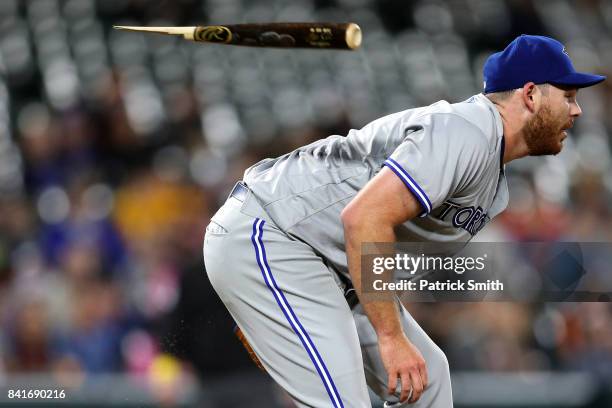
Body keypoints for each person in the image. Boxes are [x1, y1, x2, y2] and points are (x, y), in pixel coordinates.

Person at [203, 35, 605, 407]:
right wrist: (390, 337)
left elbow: (382, 243)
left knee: (428, 381)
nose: (577, 109)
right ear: (531, 94)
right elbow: (364, 217)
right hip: (271, 234)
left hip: (325, 265)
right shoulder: (466, 132)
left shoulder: (492, 176)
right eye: (567, 94)